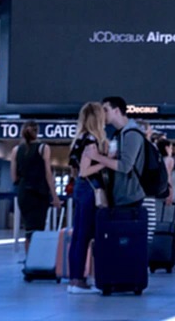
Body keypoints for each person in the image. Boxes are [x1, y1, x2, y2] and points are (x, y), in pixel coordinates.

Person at [67, 102, 108, 294]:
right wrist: (106, 162)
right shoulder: (91, 140)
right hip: (90, 190)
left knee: (78, 235)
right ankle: (78, 280)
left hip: (79, 189)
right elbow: (85, 170)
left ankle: (74, 277)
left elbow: (76, 171)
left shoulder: (77, 140)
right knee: (84, 235)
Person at [10, 120, 62, 254]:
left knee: (28, 229)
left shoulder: (16, 150)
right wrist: (55, 197)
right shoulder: (43, 148)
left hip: (23, 193)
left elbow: (14, 177)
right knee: (38, 228)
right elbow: (48, 174)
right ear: (37, 131)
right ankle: (36, 260)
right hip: (39, 193)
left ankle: (29, 261)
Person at [84, 97, 145, 209]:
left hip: (129, 199)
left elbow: (125, 166)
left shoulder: (132, 134)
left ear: (116, 111)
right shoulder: (118, 134)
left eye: (106, 110)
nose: (103, 114)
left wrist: (96, 157)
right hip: (120, 197)